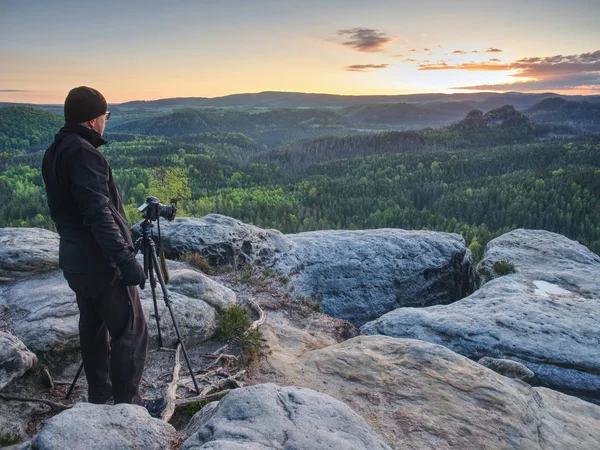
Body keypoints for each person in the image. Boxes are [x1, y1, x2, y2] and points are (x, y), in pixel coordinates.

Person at [42, 86, 165, 416]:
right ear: (94, 119)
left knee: (93, 328)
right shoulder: (84, 153)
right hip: (100, 262)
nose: (106, 123)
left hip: (76, 260)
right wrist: (124, 258)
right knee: (130, 330)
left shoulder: (56, 150)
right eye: (106, 117)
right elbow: (96, 212)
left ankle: (100, 397)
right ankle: (129, 407)